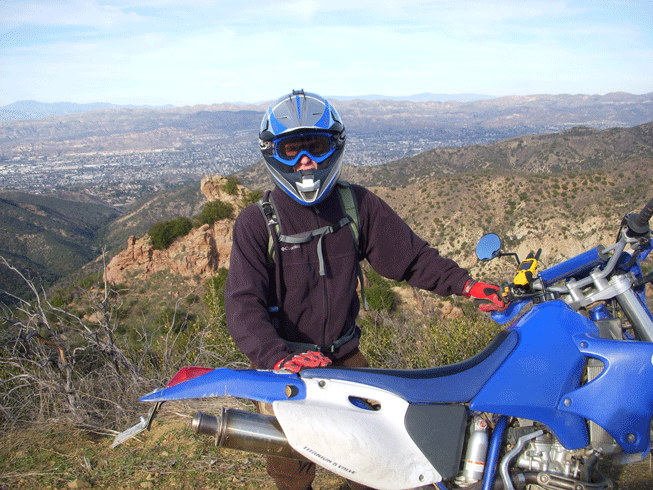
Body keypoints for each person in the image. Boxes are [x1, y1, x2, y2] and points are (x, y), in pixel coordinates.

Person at [224, 90, 506, 490]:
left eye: (315, 146)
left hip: (345, 357)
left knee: (376, 463)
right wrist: (277, 357)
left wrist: (466, 284)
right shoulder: (257, 224)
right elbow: (242, 306)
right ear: (274, 154)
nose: (305, 161)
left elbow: (411, 259)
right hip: (283, 367)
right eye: (292, 149)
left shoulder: (357, 206)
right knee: (291, 467)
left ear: (332, 147)